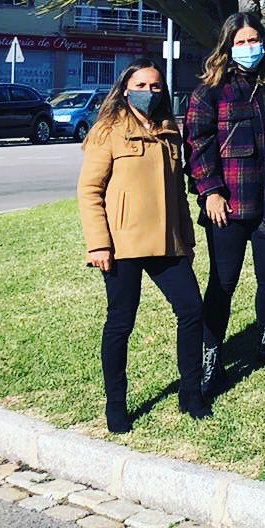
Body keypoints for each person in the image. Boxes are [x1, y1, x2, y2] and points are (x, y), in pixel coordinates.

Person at [77, 60, 205, 432]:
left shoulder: (169, 132)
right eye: (141, 84)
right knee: (121, 323)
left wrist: (186, 239)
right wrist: (98, 244)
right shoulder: (108, 131)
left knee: (191, 311)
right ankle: (116, 406)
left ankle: (191, 393)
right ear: (125, 87)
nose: (149, 92)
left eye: (155, 86)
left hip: (167, 244)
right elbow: (89, 191)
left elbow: (178, 195)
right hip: (121, 246)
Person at [184, 13, 265, 393]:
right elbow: (197, 144)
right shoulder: (210, 91)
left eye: (255, 40)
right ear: (227, 46)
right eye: (241, 42)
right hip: (230, 201)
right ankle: (211, 351)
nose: (249, 48)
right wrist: (211, 190)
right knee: (223, 281)